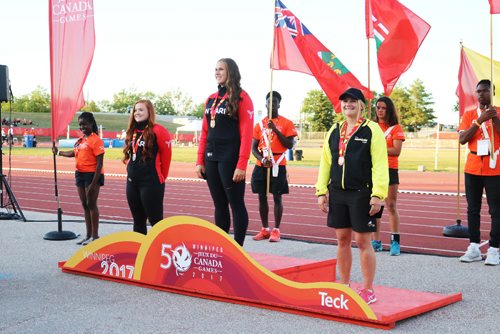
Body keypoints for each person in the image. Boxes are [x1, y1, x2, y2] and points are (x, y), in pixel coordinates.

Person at [315, 88, 388, 304]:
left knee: (363, 240)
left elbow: (380, 164)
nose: (348, 104)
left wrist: (378, 194)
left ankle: (367, 289)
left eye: (353, 101)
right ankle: (344, 285)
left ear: (361, 105)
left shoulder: (372, 130)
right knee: (342, 239)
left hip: (361, 193)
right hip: (337, 192)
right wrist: (321, 191)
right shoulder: (334, 130)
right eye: (345, 101)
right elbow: (326, 162)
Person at [195, 58, 254, 246]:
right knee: (219, 205)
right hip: (211, 156)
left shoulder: (243, 97)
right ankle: (223, 248)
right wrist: (199, 160)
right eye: (215, 69)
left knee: (235, 203)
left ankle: (238, 248)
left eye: (221, 69)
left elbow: (246, 134)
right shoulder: (211, 98)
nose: (217, 72)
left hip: (230, 157)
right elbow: (205, 131)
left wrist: (242, 164)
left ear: (231, 72)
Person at [458, 79, 500, 265]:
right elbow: (463, 139)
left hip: (494, 167)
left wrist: (494, 118)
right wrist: (479, 121)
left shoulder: (497, 112)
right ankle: (474, 246)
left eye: (485, 91)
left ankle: (494, 249)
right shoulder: (469, 115)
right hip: (473, 166)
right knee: (473, 209)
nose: (481, 94)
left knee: (496, 210)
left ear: (492, 92)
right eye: (478, 91)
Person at [251, 91, 297, 242]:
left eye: (275, 102)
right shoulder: (259, 124)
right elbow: (253, 148)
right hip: (262, 164)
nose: (272, 105)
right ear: (265, 104)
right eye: (269, 102)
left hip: (278, 163)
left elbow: (290, 145)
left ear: (279, 104)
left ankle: (276, 230)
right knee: (261, 197)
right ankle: (265, 229)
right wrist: (261, 159)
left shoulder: (287, 123)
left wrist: (275, 129)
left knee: (277, 197)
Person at [52, 112, 104, 245]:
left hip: (92, 175)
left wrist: (93, 184)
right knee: (85, 205)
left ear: (91, 124)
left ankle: (95, 236)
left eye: (85, 124)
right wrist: (58, 152)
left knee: (91, 204)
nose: (82, 127)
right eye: (80, 125)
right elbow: (73, 153)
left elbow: (99, 163)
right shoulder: (80, 140)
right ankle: (87, 235)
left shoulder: (96, 140)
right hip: (80, 174)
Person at [123, 100, 172, 235]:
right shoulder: (132, 131)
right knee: (138, 222)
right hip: (132, 183)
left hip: (151, 183)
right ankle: (140, 252)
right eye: (135, 110)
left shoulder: (159, 131)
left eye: (141, 110)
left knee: (156, 222)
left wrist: (161, 178)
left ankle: (160, 253)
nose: (137, 113)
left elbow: (167, 157)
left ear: (149, 112)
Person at [371, 97, 405, 256]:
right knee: (374, 206)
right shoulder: (371, 127)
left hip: (390, 169)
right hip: (374, 170)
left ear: (389, 109)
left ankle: (395, 241)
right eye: (378, 107)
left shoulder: (396, 128)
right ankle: (375, 241)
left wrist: (377, 148)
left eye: (383, 108)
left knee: (391, 205)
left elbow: (396, 151)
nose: (380, 110)